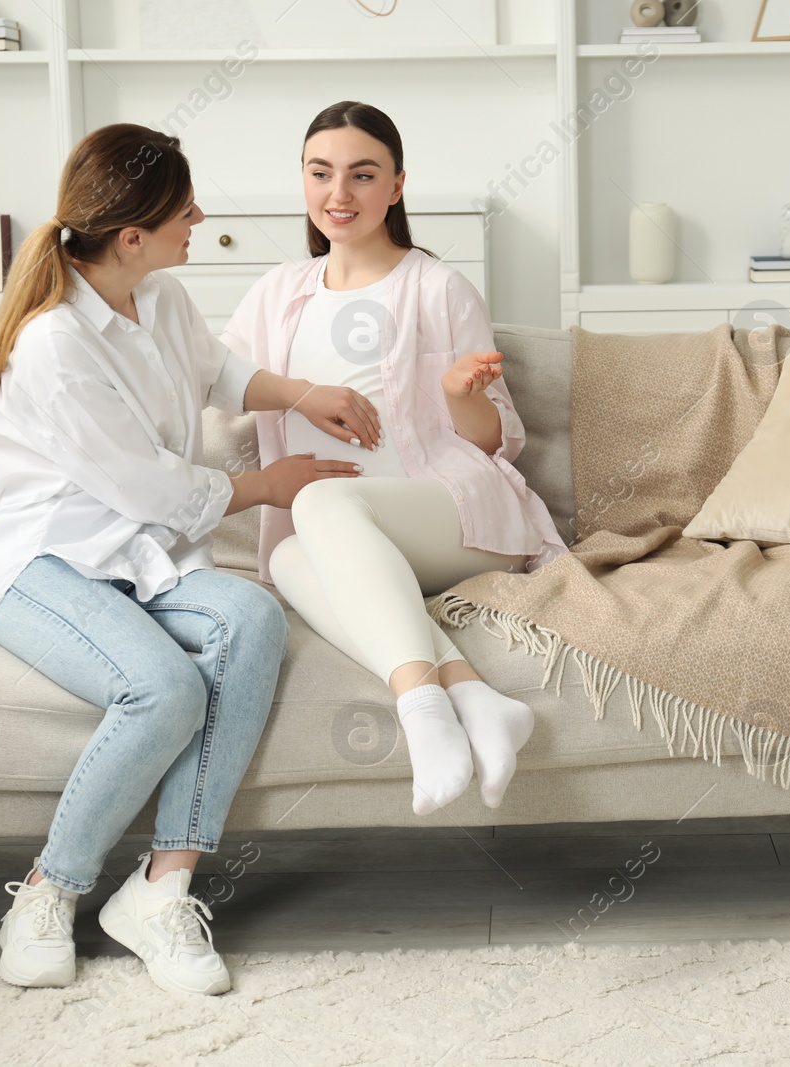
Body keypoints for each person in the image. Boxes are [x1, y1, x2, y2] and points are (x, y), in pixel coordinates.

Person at [0, 123, 369, 995]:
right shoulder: (55, 345)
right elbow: (153, 490)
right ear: (130, 236)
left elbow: (217, 372)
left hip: (145, 559)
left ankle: (162, 887)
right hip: (50, 564)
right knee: (163, 688)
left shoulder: (161, 298)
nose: (198, 217)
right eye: (184, 209)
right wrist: (269, 484)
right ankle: (49, 890)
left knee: (250, 616)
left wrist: (303, 392)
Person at [223, 100, 569, 818]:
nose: (338, 194)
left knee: (313, 503)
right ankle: (474, 695)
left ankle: (419, 706)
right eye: (320, 174)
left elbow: (491, 440)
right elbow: (216, 382)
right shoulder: (277, 293)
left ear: (397, 185)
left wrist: (456, 393)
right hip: (345, 535)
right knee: (288, 557)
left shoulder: (436, 287)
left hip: (453, 512)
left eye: (362, 174)